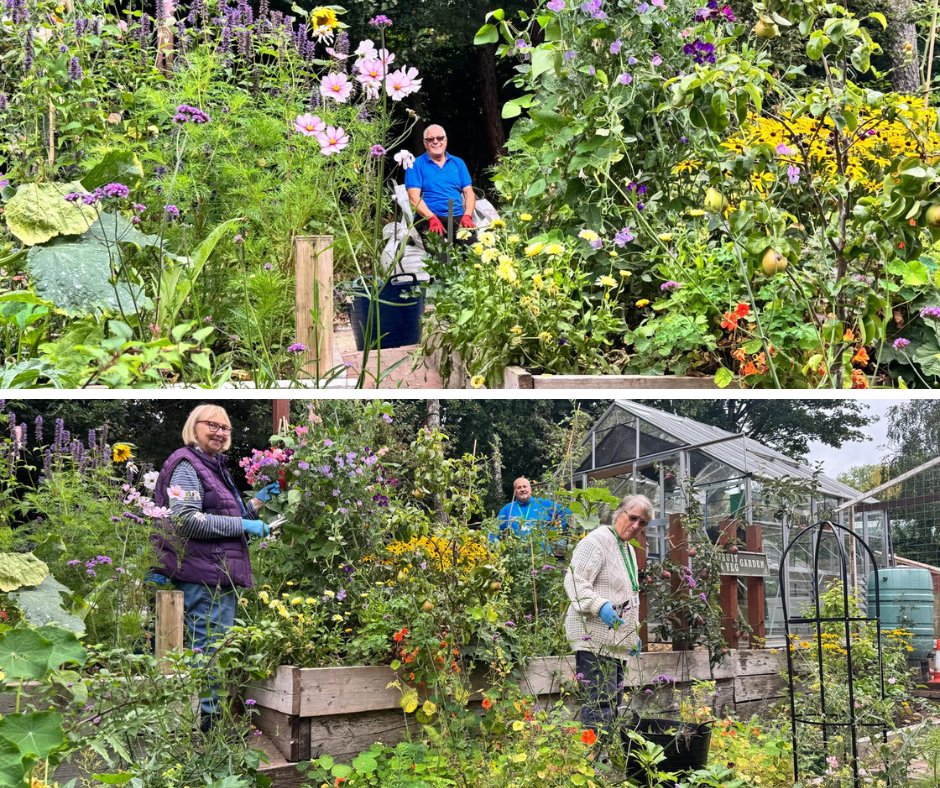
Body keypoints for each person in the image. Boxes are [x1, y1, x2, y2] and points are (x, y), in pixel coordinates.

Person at [150, 404, 280, 731]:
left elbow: (225, 515)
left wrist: (256, 503)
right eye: (213, 425)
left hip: (216, 574)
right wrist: (245, 527)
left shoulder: (211, 466)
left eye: (226, 428)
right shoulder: (185, 464)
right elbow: (186, 519)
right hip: (202, 575)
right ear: (195, 427)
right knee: (207, 651)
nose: (220, 433)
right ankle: (209, 730)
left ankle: (212, 725)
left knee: (214, 650)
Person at [563, 494, 650, 740]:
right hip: (593, 638)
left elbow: (628, 595)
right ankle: (594, 766)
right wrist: (598, 605)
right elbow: (574, 580)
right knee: (598, 705)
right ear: (619, 513)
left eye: (642, 523)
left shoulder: (627, 550)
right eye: (632, 518)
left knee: (612, 705)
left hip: (616, 643)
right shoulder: (596, 541)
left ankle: (604, 760)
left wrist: (632, 634)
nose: (635, 526)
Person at [405, 124, 476, 239]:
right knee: (441, 254)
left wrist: (467, 215)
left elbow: (469, 193)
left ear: (446, 140)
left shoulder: (458, 163)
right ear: (425, 143)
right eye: (430, 139)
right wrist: (431, 218)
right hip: (429, 218)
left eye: (440, 138)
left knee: (473, 250)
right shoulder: (415, 164)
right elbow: (414, 198)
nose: (436, 141)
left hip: (457, 216)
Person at [496, 476, 570, 537]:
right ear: (515, 492)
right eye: (519, 487)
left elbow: (567, 513)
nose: (522, 489)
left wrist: (553, 532)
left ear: (530, 489)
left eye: (524, 486)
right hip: (516, 552)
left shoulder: (544, 504)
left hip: (542, 552)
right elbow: (495, 529)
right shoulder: (508, 509)